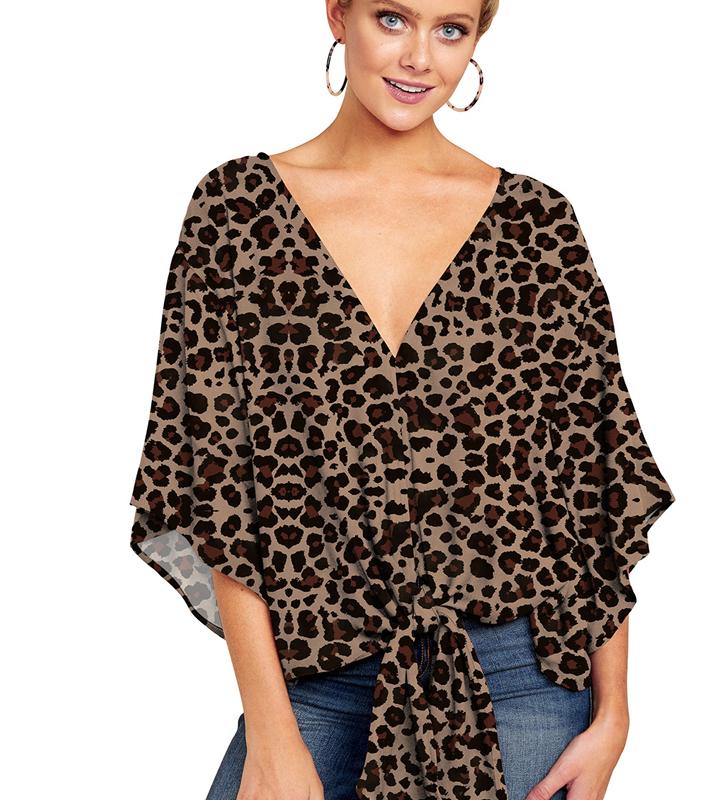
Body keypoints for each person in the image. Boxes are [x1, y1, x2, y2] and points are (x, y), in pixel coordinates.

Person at [128, 2, 675, 799]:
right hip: (312, 685)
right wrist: (272, 734)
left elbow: (592, 482)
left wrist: (614, 716)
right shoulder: (236, 212)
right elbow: (218, 487)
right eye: (393, 18)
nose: (420, 57)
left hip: (518, 691)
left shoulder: (537, 225)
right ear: (338, 14)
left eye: (451, 29)